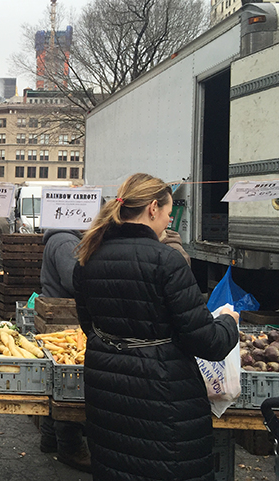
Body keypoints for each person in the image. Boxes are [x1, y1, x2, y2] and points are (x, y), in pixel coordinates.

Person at [73, 173, 239, 480]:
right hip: (163, 398)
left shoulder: (88, 255)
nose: (168, 219)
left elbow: (89, 327)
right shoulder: (166, 260)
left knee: (117, 468)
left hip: (107, 390)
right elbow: (207, 342)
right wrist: (230, 321)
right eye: (168, 211)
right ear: (152, 208)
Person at [38, 229, 90, 472]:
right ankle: (70, 447)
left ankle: (49, 438)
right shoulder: (67, 242)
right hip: (64, 317)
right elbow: (73, 280)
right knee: (69, 385)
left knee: (55, 383)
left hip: (59, 315)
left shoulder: (62, 240)